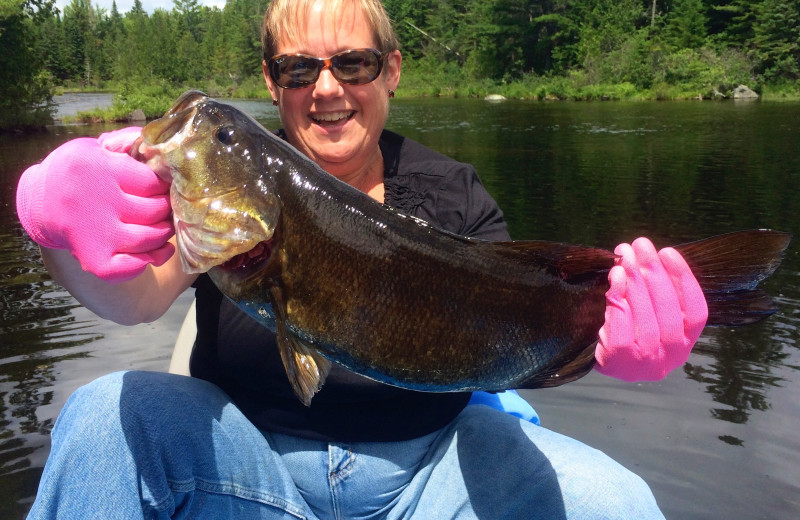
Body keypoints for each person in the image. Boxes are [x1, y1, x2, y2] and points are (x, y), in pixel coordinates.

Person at [16, 0, 707, 518]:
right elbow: (128, 298)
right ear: (273, 78)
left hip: (432, 485)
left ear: (392, 70)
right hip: (245, 475)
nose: (326, 89)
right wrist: (57, 230)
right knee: (104, 414)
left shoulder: (454, 194)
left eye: (354, 62)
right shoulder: (230, 199)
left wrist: (603, 343)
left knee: (612, 500)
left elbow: (504, 340)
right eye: (298, 68)